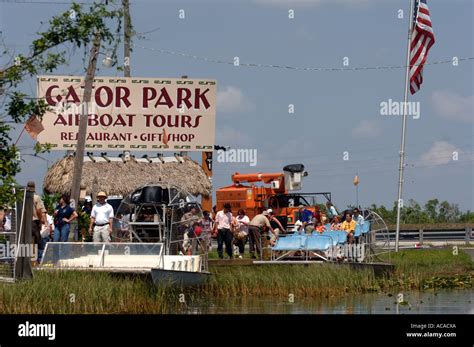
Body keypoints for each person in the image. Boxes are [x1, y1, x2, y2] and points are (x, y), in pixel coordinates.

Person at [30, 182, 46, 263]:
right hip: (34, 222)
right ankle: (37, 260)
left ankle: (29, 259)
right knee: (37, 241)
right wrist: (40, 220)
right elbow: (39, 210)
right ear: (34, 187)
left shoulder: (23, 198)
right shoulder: (36, 197)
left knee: (27, 241)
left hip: (25, 222)